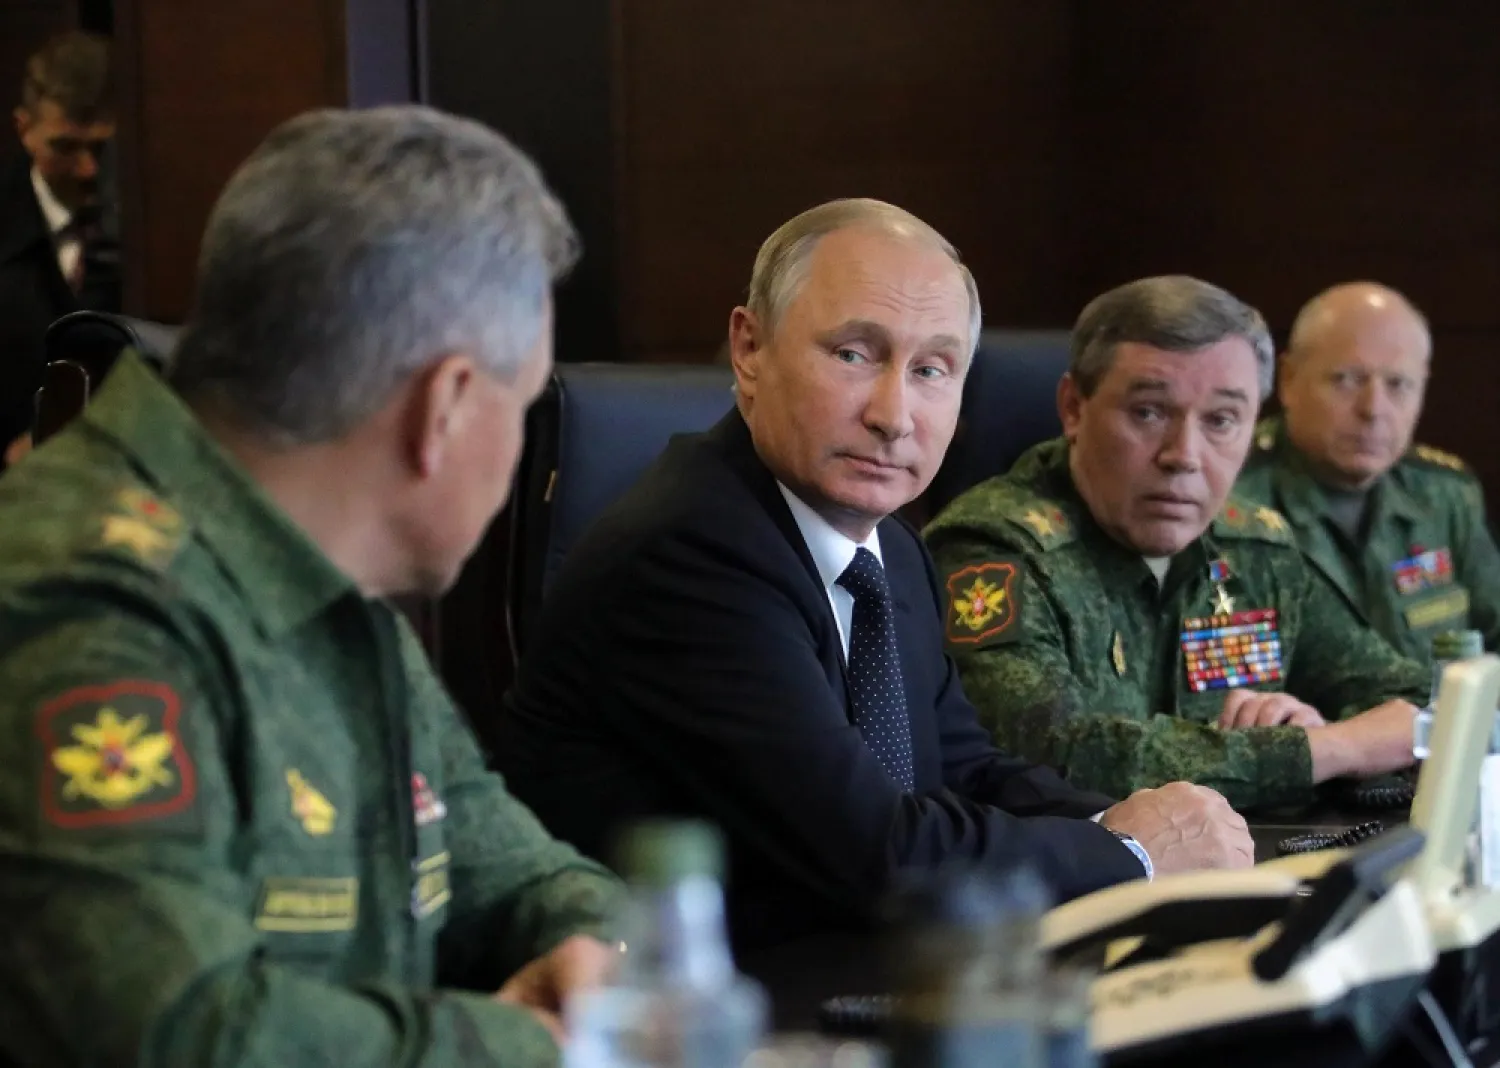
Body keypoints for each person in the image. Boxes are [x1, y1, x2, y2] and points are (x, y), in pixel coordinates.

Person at [0, 106, 624, 1067]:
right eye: (524, 402)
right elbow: (169, 1038)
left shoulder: (327, 585)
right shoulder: (91, 602)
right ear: (446, 407)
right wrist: (529, 1048)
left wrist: (587, 946)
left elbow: (509, 867)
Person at [495, 200, 1253, 984]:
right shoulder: (690, 552)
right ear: (749, 349)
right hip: (687, 1011)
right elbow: (875, 853)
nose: (894, 416)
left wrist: (1137, 821)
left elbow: (965, 768)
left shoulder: (887, 543)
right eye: (856, 354)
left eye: (932, 370)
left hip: (847, 974)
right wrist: (1128, 852)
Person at [924, 276, 1430, 812]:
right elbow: (1054, 756)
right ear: (1073, 407)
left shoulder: (1254, 547)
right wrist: (1316, 752)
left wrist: (1312, 725)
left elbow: (1412, 705)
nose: (1183, 454)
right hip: (1075, 884)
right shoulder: (994, 550)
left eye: (1221, 421)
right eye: (1149, 413)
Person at [1236, 281, 1500, 662]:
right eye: (1347, 379)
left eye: (1398, 384)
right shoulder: (1234, 496)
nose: (1373, 409)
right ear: (1289, 379)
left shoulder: (1445, 494)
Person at [1, 30, 120, 470]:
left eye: (101, 149)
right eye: (66, 147)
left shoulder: (151, 235)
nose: (88, 170)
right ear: (24, 130)